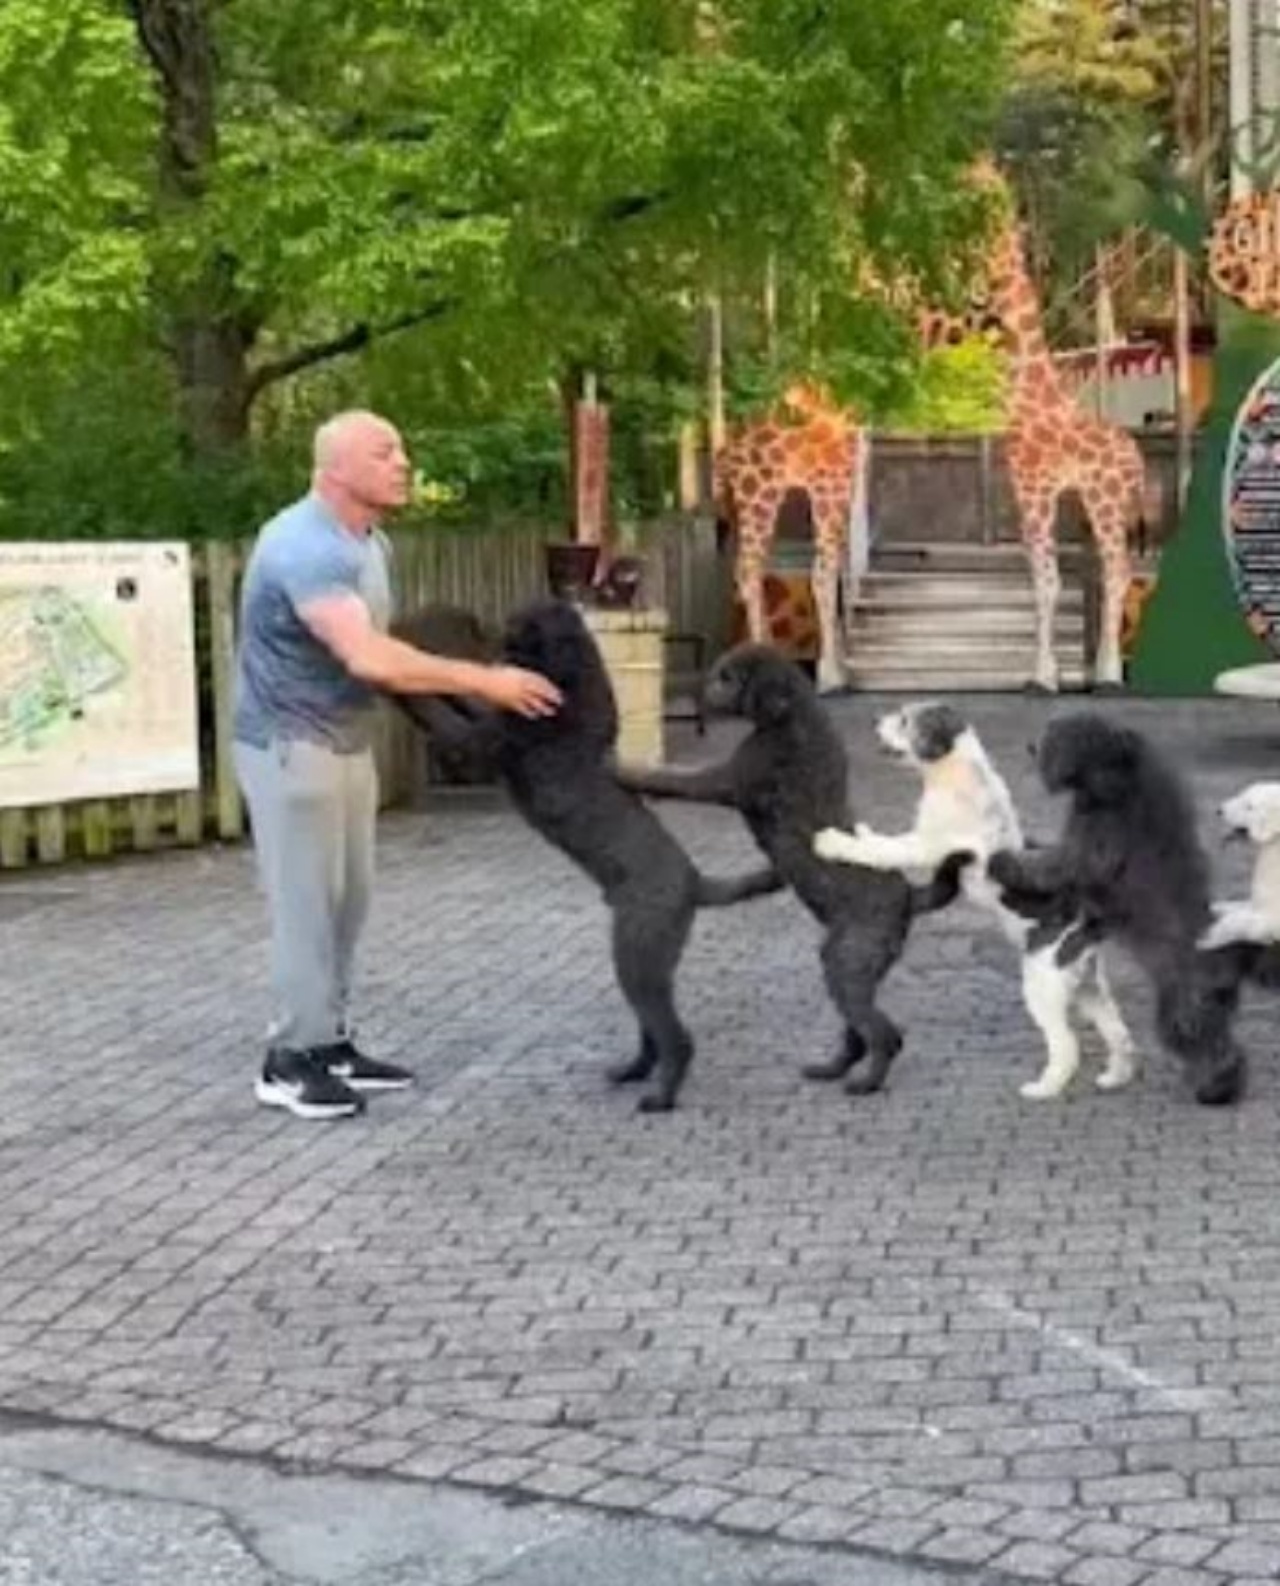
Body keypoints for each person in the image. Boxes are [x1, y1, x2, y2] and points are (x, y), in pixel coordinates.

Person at [232, 410, 561, 1121]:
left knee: (347, 903)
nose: (403, 463)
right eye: (386, 452)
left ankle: (330, 1043)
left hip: (347, 740)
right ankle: (287, 1061)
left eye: (401, 448)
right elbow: (369, 655)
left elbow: (383, 653)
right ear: (336, 469)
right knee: (305, 909)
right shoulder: (303, 545)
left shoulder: (369, 541)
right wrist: (486, 681)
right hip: (289, 745)